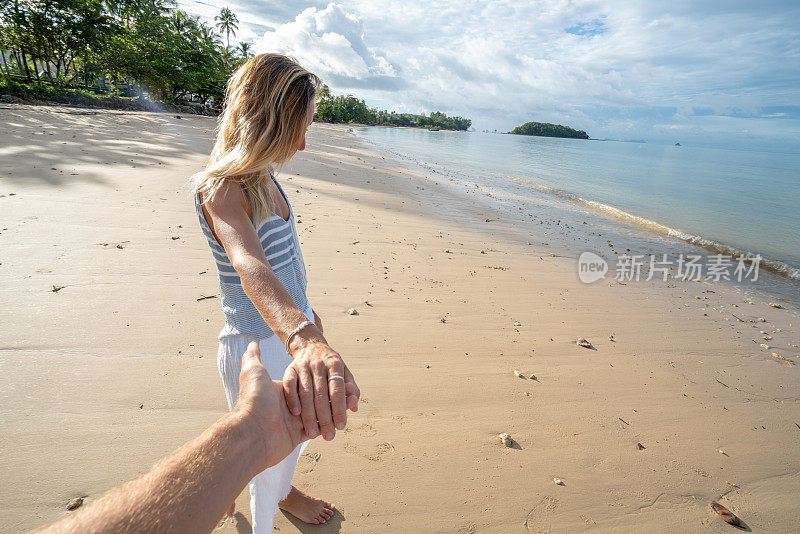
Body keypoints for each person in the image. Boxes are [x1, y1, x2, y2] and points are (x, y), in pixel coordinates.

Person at [190, 53, 360, 531]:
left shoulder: (264, 177)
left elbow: (288, 264)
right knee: (262, 457)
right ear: (267, 124)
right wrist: (302, 337)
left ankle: (266, 487)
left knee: (289, 440)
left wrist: (312, 320)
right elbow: (252, 266)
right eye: (298, 130)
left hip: (293, 326)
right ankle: (258, 497)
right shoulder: (221, 191)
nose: (303, 145)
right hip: (259, 348)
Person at [37, 343, 313, 534]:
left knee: (279, 454)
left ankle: (247, 487)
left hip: (288, 337)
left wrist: (306, 313)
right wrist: (303, 333)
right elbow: (247, 264)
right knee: (266, 451)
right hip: (264, 336)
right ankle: (235, 487)